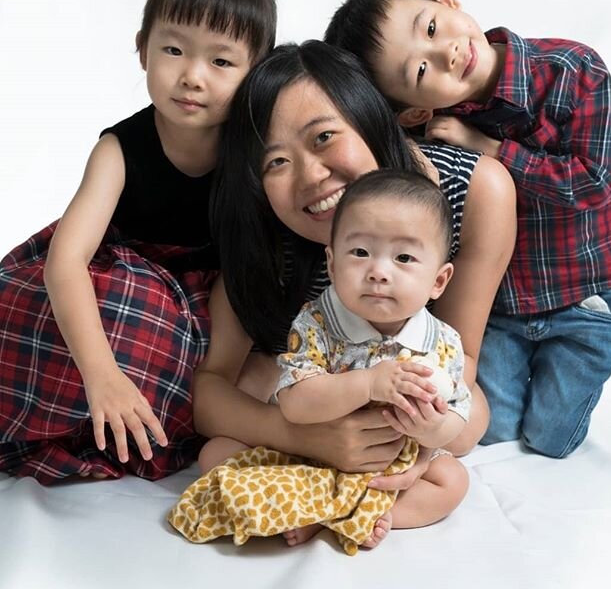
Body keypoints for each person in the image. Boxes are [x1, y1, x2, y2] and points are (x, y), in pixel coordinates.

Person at [192, 41, 515, 510]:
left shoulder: (474, 189)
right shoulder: (267, 229)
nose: (311, 174)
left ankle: (354, 503)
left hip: (404, 385)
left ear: (369, 117)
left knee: (470, 419)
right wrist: (308, 438)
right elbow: (210, 391)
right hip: (312, 392)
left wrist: (415, 443)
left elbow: (460, 354)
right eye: (276, 161)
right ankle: (315, 497)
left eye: (323, 137)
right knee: (247, 400)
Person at [324, 0, 611, 457]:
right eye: (421, 69)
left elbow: (591, 183)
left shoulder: (573, 69)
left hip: (582, 292)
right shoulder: (437, 133)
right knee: (495, 432)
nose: (446, 52)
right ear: (415, 111)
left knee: (550, 439)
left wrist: (492, 149)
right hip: (506, 306)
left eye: (430, 26)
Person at [0, 0, 276, 483]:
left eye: (221, 61)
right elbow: (66, 263)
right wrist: (101, 375)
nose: (192, 76)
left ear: (254, 72)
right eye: (174, 50)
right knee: (45, 312)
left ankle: (118, 420)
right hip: (111, 287)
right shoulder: (119, 148)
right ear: (142, 51)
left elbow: (252, 271)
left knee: (157, 337)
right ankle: (84, 402)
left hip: (200, 314)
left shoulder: (257, 151)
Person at [169, 168, 470, 553]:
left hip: (386, 468)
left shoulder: (441, 342)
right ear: (331, 263)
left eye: (404, 257)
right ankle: (328, 510)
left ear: (438, 282)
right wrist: (369, 383)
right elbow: (295, 403)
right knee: (216, 453)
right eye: (360, 252)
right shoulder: (316, 323)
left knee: (452, 480)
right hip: (306, 454)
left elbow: (456, 419)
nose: (378, 272)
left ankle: (367, 514)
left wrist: (431, 429)